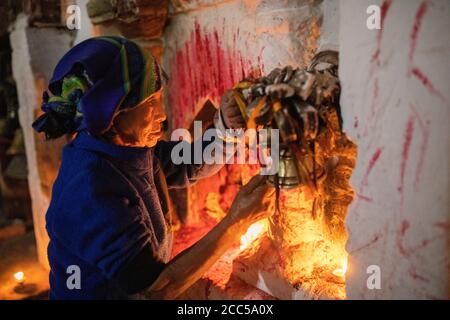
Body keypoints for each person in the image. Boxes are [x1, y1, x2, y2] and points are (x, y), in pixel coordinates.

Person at [32, 36, 274, 300]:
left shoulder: (128, 149)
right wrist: (236, 222)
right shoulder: (91, 190)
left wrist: (226, 126)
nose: (162, 115)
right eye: (150, 104)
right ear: (112, 115)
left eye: (159, 99)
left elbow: (189, 162)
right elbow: (155, 288)